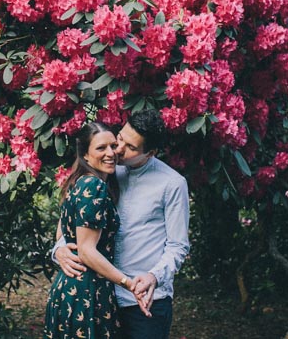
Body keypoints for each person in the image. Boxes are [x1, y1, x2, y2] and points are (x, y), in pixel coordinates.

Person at [53, 110, 190, 339]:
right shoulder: (106, 169)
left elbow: (178, 246)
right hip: (102, 299)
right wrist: (59, 249)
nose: (118, 150)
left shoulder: (172, 184)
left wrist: (153, 276)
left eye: (131, 148)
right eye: (121, 139)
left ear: (150, 153)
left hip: (144, 302)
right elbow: (71, 214)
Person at [44, 122, 148, 339]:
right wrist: (129, 284)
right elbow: (87, 251)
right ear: (86, 155)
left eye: (113, 145)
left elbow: (61, 233)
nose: (111, 153)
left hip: (71, 287)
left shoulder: (78, 181)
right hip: (86, 290)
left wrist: (61, 250)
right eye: (101, 148)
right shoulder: (94, 186)